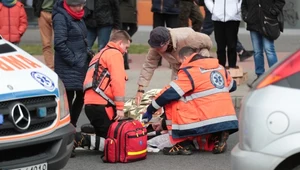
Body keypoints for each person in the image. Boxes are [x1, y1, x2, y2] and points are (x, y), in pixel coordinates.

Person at [143, 46, 238, 155]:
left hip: (207, 118)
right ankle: (217, 134)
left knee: (175, 101)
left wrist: (150, 110)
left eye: (180, 62)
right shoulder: (220, 67)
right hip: (226, 118)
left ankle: (183, 141)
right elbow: (232, 86)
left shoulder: (190, 71)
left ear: (184, 59)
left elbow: (169, 94)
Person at [70, 30, 131, 157]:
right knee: (114, 145)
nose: (126, 51)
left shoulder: (100, 54)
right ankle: (78, 138)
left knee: (105, 136)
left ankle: (92, 133)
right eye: (126, 47)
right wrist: (120, 108)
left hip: (92, 104)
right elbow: (118, 80)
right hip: (102, 106)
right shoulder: (115, 54)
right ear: (120, 43)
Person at [135, 26, 212, 105]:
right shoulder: (156, 45)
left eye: (159, 47)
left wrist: (200, 58)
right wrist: (140, 89)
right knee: (175, 92)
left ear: (167, 42)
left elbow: (208, 42)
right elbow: (149, 64)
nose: (156, 49)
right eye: (155, 47)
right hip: (178, 67)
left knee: (199, 88)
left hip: (198, 62)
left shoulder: (188, 37)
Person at [52, 0, 88, 127]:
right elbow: (59, 44)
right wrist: (73, 59)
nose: (81, 8)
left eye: (82, 5)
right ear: (69, 5)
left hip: (80, 64)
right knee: (69, 97)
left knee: (81, 95)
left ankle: (72, 124)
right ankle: (68, 126)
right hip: (68, 65)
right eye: (78, 5)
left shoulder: (77, 17)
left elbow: (82, 39)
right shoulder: (61, 17)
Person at [242, 0, 285, 84]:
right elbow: (244, 4)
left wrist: (273, 12)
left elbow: (281, 1)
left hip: (267, 22)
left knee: (269, 50)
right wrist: (246, 16)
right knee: (257, 51)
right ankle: (259, 76)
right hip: (253, 23)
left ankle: (275, 77)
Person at [204, 0, 241, 68]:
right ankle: (221, 68)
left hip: (233, 19)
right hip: (217, 18)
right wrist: (213, 10)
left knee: (232, 45)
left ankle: (232, 67)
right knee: (220, 46)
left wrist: (237, 9)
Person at [151, 0, 180, 66]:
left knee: (173, 36)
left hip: (173, 9)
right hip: (157, 9)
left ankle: (174, 60)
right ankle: (156, 60)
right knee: (156, 35)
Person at [32, 0, 54, 70]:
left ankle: (60, 67)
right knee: (46, 43)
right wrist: (37, 9)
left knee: (60, 42)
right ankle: (50, 67)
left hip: (57, 13)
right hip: (43, 13)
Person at [120, 0, 138, 70]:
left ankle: (124, 63)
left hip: (130, 13)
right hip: (124, 14)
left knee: (123, 38)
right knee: (123, 39)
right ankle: (124, 63)